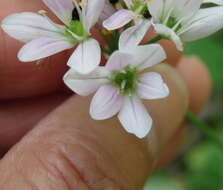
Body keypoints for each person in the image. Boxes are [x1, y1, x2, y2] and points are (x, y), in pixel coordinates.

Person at [0, 0, 211, 189]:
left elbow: (134, 52)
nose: (124, 77)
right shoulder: (89, 50)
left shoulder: (106, 42)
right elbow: (82, 72)